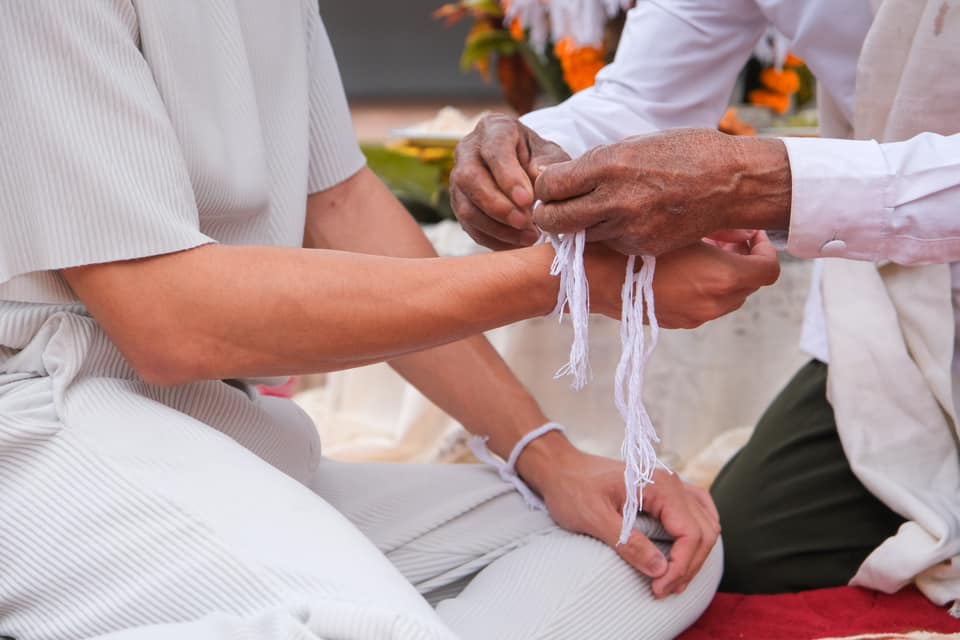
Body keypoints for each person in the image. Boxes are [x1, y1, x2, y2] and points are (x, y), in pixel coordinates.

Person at [0, 2, 788, 639]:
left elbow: (340, 203)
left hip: (219, 430)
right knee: (376, 627)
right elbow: (169, 323)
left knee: (649, 545)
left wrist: (547, 456)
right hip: (45, 429)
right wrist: (569, 276)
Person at [451, 0, 960, 605]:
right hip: (889, 323)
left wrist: (762, 183)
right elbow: (643, 102)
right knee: (743, 555)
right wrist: (534, 153)